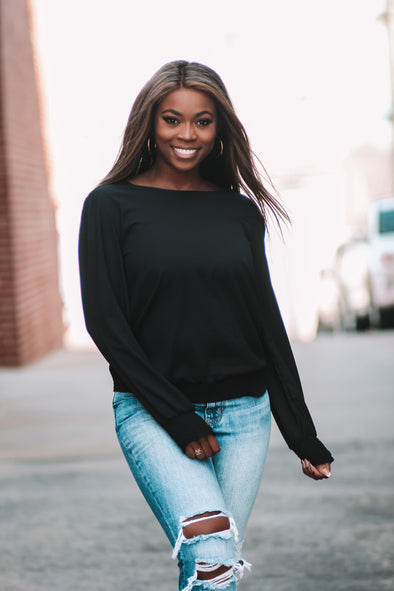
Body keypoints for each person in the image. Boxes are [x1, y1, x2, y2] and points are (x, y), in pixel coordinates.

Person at [78, 60, 333, 591]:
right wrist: (179, 418)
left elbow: (264, 322)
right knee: (213, 553)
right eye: (172, 119)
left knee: (205, 566)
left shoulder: (238, 212)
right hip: (152, 412)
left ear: (220, 130)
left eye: (203, 121)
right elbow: (107, 324)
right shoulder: (109, 206)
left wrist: (300, 432)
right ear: (149, 123)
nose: (187, 134)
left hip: (244, 415)